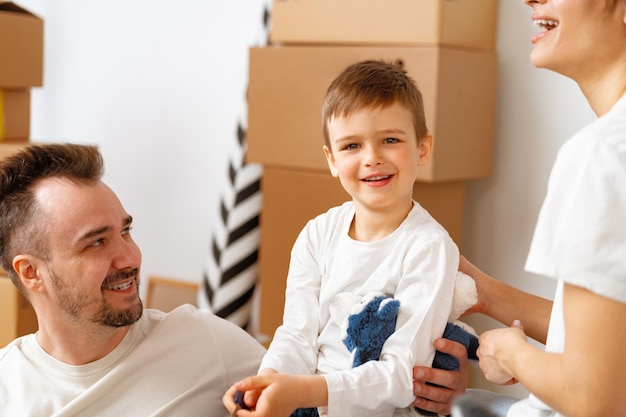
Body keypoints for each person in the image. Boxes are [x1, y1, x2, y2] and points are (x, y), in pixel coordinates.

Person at [223, 59, 468, 417]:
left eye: (390, 140)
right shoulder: (317, 235)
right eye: (352, 146)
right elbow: (297, 335)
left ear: (422, 147)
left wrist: (304, 391)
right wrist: (268, 382)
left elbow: (402, 374)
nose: (372, 158)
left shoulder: (429, 247)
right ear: (332, 159)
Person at [0, 143, 267, 416]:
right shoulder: (7, 391)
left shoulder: (207, 344)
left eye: (125, 231)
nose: (131, 257)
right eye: (96, 242)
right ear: (31, 273)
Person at [452, 0, 626, 416]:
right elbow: (603, 341)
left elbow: (593, 397)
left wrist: (511, 354)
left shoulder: (601, 154)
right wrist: (485, 293)